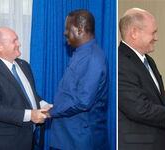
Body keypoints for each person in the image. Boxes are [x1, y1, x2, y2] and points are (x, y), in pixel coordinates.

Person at [118, 8, 165, 150]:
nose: (156, 38)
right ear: (134, 33)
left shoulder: (148, 61)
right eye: (153, 32)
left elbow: (154, 100)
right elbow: (138, 109)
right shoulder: (119, 62)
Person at [0, 27, 52, 150]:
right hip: (5, 143)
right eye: (14, 41)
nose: (19, 43)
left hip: (30, 138)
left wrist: (44, 105)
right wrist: (31, 115)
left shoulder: (24, 65)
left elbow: (30, 94)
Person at [48, 10, 109, 150]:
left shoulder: (92, 57)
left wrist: (52, 112)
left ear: (80, 29)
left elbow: (83, 101)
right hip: (67, 137)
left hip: (78, 141)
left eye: (68, 28)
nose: (64, 33)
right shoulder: (81, 53)